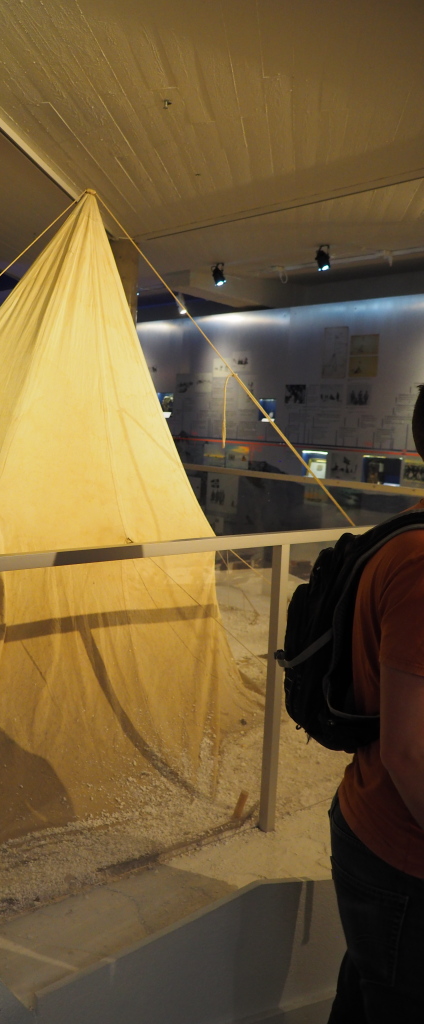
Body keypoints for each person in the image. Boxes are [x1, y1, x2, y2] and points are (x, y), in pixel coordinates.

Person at [328, 384, 424, 1021]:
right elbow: (408, 750)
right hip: (403, 852)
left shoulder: (409, 537)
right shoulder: (421, 563)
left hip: (379, 836)